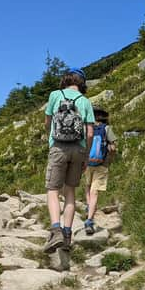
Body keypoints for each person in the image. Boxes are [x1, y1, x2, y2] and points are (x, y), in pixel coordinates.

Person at [43, 68, 95, 253]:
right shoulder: (86, 102)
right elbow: (89, 133)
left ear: (66, 79)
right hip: (79, 150)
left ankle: (55, 230)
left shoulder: (55, 95)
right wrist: (86, 156)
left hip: (58, 147)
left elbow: (48, 123)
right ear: (82, 83)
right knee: (70, 192)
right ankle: (67, 235)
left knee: (53, 190)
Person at [83, 106, 117, 235]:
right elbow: (113, 147)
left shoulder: (87, 128)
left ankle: (88, 206)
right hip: (101, 164)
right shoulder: (106, 128)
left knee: (88, 186)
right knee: (95, 192)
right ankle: (89, 220)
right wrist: (110, 159)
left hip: (87, 163)